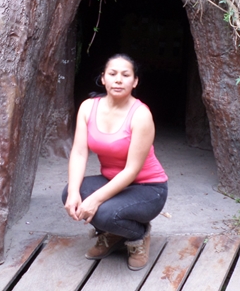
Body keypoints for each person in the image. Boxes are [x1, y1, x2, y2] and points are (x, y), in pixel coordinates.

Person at [62, 54, 168, 270]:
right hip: (112, 181)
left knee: (104, 212)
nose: (118, 80)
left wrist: (94, 200)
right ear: (103, 78)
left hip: (148, 188)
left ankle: (138, 235)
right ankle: (114, 234)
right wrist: (74, 192)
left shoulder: (140, 115)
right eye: (112, 74)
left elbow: (131, 170)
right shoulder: (88, 108)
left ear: (135, 81)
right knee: (70, 194)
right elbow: (79, 152)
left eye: (125, 75)